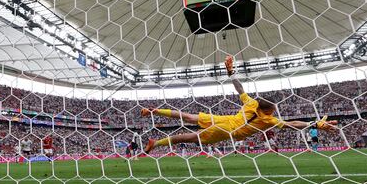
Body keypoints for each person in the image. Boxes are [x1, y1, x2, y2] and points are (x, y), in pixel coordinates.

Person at [142, 56, 338, 154]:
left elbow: (239, 88)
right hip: (228, 129)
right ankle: (156, 143)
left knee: (189, 117)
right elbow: (292, 124)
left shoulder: (252, 102)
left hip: (226, 120)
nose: (275, 110)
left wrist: (231, 72)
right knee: (191, 137)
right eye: (272, 109)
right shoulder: (267, 119)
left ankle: (154, 111)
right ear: (266, 110)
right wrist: (313, 124)